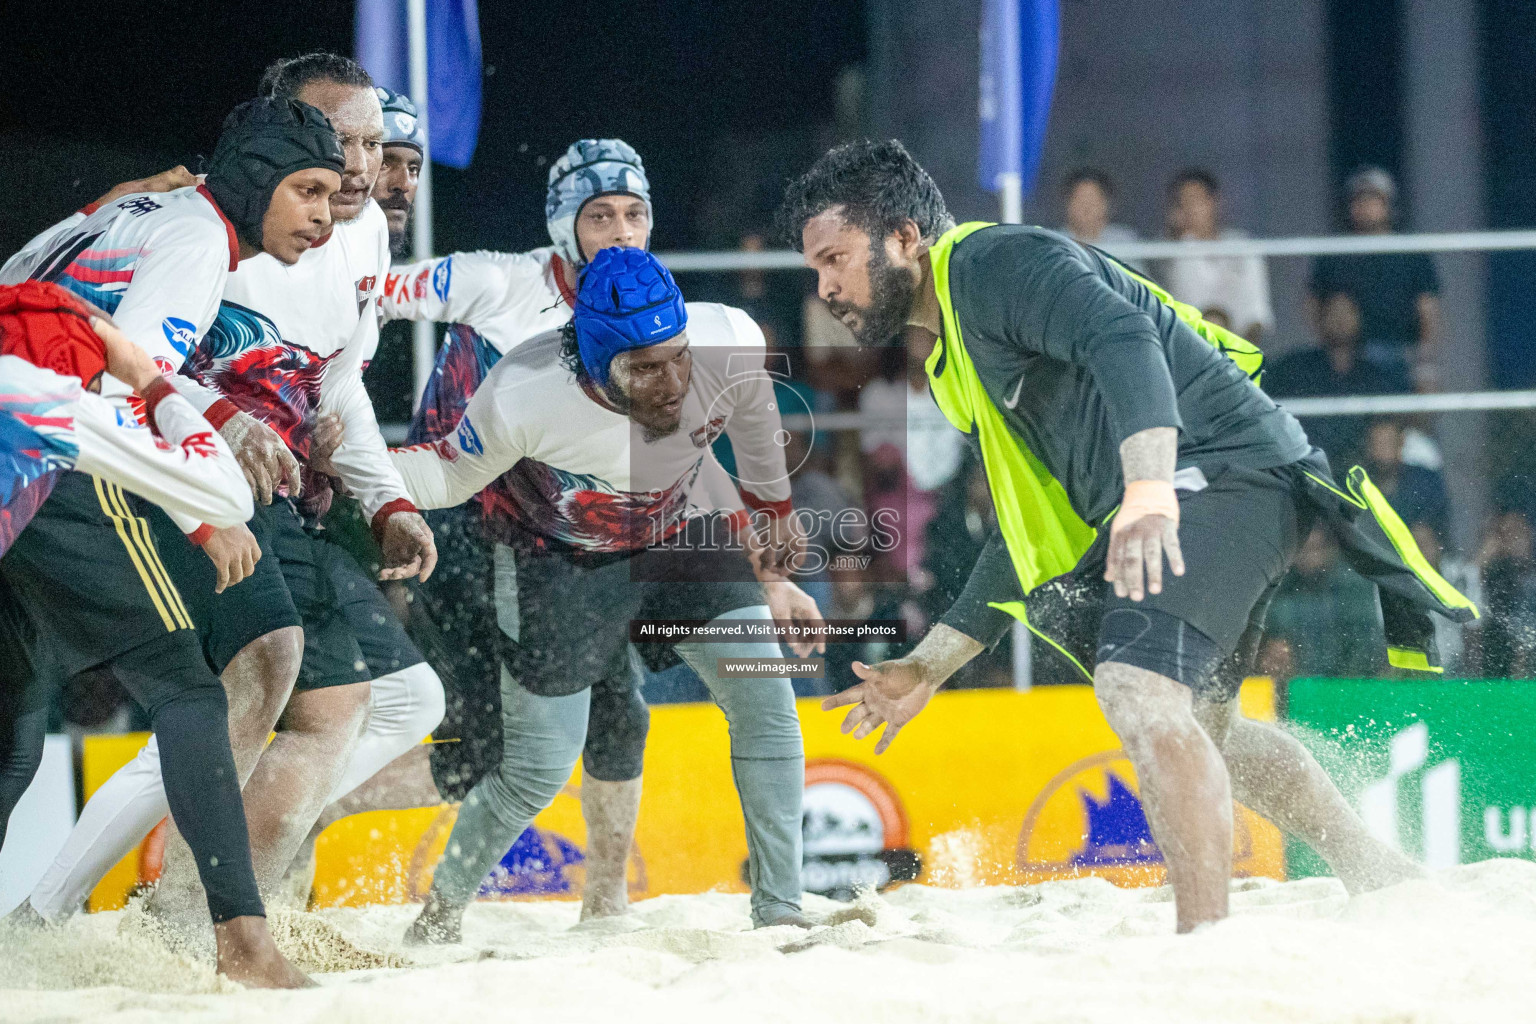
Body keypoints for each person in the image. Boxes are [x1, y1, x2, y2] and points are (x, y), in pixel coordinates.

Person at [778, 139, 1478, 932]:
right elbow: (1023, 531)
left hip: (1223, 471)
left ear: (903, 237)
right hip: (1208, 484)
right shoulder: (952, 362)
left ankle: (1202, 943)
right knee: (1208, 729)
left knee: (1136, 689)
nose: (827, 286)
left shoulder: (991, 262)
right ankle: (1381, 873)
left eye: (835, 258)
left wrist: (1146, 487)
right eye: (815, 271)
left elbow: (1123, 337)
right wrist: (928, 666)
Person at [21, 53, 444, 928]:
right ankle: (200, 917)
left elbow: (330, 386)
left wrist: (384, 495)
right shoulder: (200, 234)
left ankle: (216, 900)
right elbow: (128, 384)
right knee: (225, 683)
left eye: (372, 147)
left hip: (181, 472)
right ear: (271, 154)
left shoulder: (320, 227)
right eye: (332, 154)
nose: (359, 173)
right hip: (87, 464)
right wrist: (207, 499)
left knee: (353, 698)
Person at [392, 247, 820, 943]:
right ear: (594, 362)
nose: (672, 382)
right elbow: (444, 476)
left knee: (767, 698)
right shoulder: (525, 390)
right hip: (557, 559)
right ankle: (437, 919)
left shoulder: (730, 338)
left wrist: (773, 509)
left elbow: (752, 415)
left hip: (679, 531)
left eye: (677, 356)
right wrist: (347, 467)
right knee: (535, 769)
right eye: (644, 369)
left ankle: (780, 912)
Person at [0, 281, 309, 988]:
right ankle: (244, 944)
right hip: (42, 499)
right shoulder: (36, 393)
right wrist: (145, 377)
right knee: (189, 694)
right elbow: (223, 490)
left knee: (12, 745)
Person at [1309, 166, 1441, 388]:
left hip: (1399, 354)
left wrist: (1425, 364)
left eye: (1373, 199)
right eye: (1359, 200)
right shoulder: (1334, 252)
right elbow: (1313, 304)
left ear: (1389, 205)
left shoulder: (1411, 251)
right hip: (1348, 359)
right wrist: (1330, 352)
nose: (1365, 206)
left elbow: (1428, 310)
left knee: (1410, 408)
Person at [1265, 289, 1415, 464]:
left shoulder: (1376, 375)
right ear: (1320, 318)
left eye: (1347, 312)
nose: (1340, 319)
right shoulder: (1293, 368)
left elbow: (1390, 426)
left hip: (1360, 468)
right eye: (1333, 311)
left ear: (1360, 318)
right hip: (1303, 464)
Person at [1160, 168, 1274, 343]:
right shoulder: (1171, 250)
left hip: (1239, 346)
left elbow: (1256, 316)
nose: (1190, 210)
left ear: (1215, 202)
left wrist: (1240, 355)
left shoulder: (1243, 247)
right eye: (1181, 203)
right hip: (1189, 348)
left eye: (1195, 201)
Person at [1059, 168, 1141, 269]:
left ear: (1106, 204)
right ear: (1067, 204)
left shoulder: (1124, 240)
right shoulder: (1053, 242)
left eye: (1092, 201)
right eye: (1080, 200)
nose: (1086, 208)